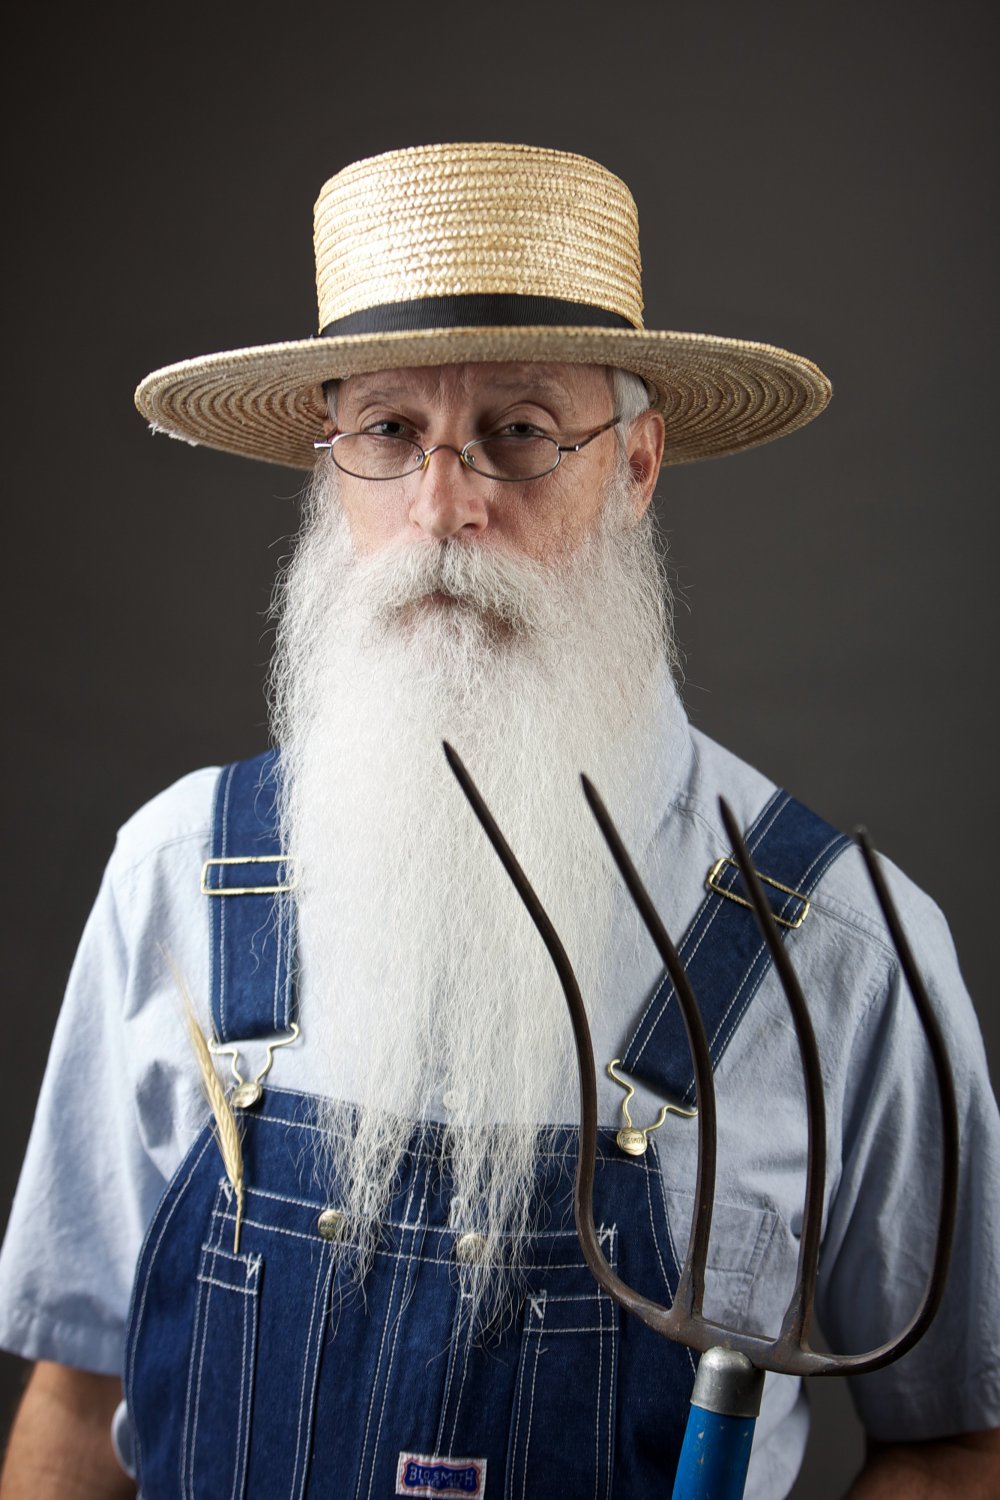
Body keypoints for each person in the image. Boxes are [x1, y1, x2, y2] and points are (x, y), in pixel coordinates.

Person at [1, 142, 997, 1499]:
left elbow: (953, 1446)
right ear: (329, 464)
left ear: (637, 462)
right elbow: (77, 1403)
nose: (444, 508)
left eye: (519, 433)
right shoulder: (181, 876)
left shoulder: (845, 952)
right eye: (389, 432)